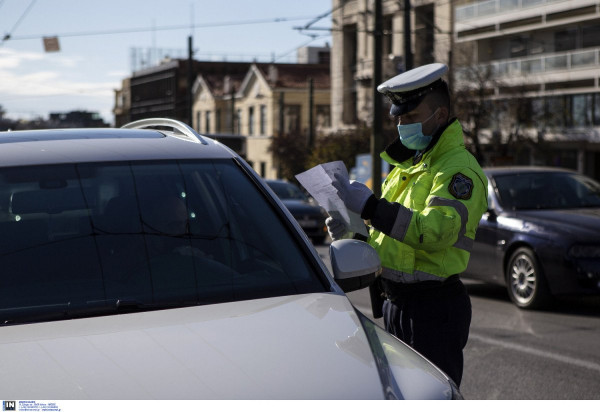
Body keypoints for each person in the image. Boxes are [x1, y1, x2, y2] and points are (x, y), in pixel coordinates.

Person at [328, 63, 488, 387]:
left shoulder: (458, 170)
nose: (402, 125)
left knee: (430, 397)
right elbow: (390, 237)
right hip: (396, 304)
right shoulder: (407, 168)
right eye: (399, 119)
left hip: (433, 309)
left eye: (411, 118)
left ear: (440, 116)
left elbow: (435, 232)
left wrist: (372, 206)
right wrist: (354, 229)